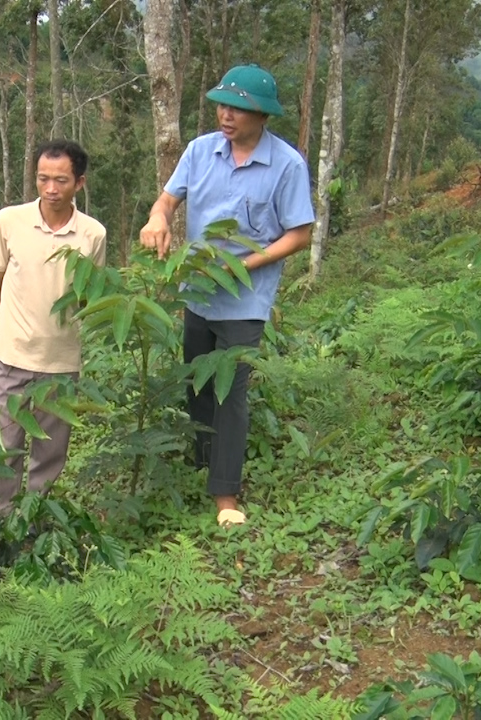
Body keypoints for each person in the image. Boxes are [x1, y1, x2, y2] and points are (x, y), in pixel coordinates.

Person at [139, 64, 315, 527]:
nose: (226, 115)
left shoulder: (287, 165)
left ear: (262, 116)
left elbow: (299, 234)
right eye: (222, 105)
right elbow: (167, 200)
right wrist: (158, 218)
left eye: (238, 108)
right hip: (196, 294)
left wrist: (240, 265)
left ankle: (225, 497)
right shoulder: (200, 152)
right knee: (196, 381)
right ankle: (202, 459)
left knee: (229, 393)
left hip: (245, 300)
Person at [0, 139, 107, 575]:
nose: (50, 188)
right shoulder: (9, 221)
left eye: (61, 180)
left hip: (61, 364)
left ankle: (34, 538)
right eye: (42, 178)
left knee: (49, 457)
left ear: (80, 183)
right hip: (10, 359)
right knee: (5, 452)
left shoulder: (92, 234)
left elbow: (89, 295)